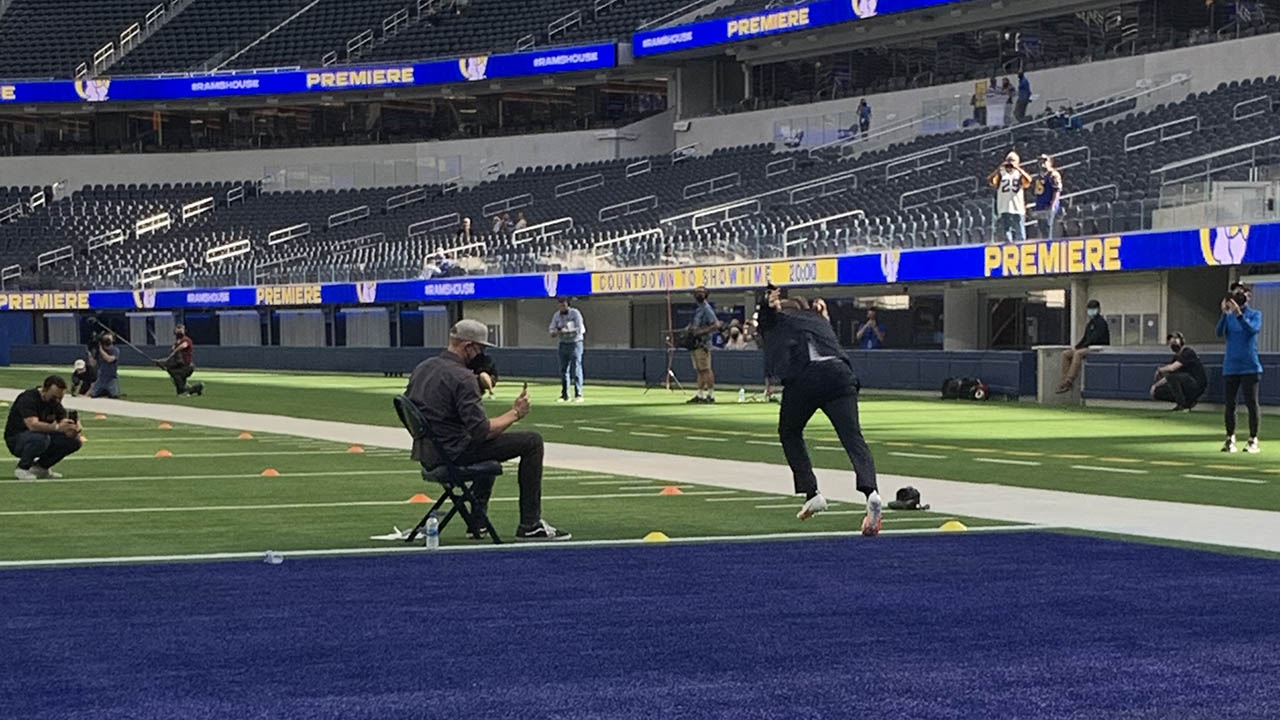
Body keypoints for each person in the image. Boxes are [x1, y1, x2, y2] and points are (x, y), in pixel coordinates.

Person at [406, 319, 570, 540]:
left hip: (429, 452)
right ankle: (530, 524)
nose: (482, 355)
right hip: (454, 453)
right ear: (468, 347)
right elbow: (482, 431)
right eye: (480, 349)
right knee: (532, 441)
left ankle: (477, 522)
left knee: (489, 447)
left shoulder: (423, 368)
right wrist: (515, 413)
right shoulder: (463, 378)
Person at [756, 287, 882, 536]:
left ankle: (812, 492)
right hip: (840, 374)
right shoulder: (816, 320)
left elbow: (767, 319)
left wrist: (767, 302)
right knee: (853, 438)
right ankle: (872, 492)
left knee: (789, 432)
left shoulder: (783, 320)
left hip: (807, 377)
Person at [4, 375, 81, 480]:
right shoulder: (28, 398)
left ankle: (41, 467)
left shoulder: (55, 402)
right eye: (54, 397)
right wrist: (58, 427)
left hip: (41, 437)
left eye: (60, 398)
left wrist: (72, 428)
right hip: (17, 438)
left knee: (73, 441)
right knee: (41, 438)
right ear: (45, 390)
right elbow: (32, 425)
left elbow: (63, 419)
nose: (57, 401)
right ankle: (22, 468)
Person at [1218, 282, 1263, 453]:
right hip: (1231, 367)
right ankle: (1230, 438)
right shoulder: (1229, 318)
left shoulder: (1255, 314)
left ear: (1248, 297)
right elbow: (1219, 332)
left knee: (1251, 404)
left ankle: (1253, 439)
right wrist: (1224, 314)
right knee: (1230, 404)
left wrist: (1239, 315)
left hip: (1250, 366)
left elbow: (1252, 330)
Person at [1056, 299, 1110, 393]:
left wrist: (1082, 347)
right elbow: (1085, 337)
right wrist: (1077, 346)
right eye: (1089, 309)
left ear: (1098, 309)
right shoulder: (1090, 324)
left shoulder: (1101, 322)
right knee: (1066, 354)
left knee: (1078, 354)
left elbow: (1095, 339)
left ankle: (1069, 380)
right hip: (1088, 347)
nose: (1091, 311)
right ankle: (1064, 380)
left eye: (1093, 308)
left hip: (1098, 348)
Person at [1150, 332, 1206, 411]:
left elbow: (1172, 368)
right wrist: (1155, 386)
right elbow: (1169, 377)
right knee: (1157, 392)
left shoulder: (1188, 352)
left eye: (1175, 341)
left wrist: (1160, 369)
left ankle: (1182, 405)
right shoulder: (1176, 357)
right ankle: (1187, 402)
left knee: (1174, 377)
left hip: (1196, 384)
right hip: (1185, 384)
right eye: (1171, 342)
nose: (1173, 344)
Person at [687, 286, 722, 404]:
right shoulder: (699, 309)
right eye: (697, 293)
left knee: (706, 369)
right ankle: (700, 394)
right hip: (695, 344)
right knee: (699, 370)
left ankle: (711, 395)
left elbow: (716, 325)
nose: (699, 295)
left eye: (701, 293)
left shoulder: (707, 309)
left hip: (703, 344)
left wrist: (701, 331)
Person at [988, 151, 1032, 243]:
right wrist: (998, 169)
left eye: (1012, 160)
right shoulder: (1001, 174)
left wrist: (1018, 168)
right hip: (1005, 206)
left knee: (1020, 231)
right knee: (1006, 230)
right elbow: (990, 181)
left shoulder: (1019, 174)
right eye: (1008, 160)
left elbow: (1028, 181)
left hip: (1017, 206)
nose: (1010, 163)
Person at [549, 297, 586, 403]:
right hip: (563, 343)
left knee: (577, 368)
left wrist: (566, 330)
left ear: (568, 305)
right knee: (564, 370)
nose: (562, 307)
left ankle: (579, 394)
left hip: (575, 343)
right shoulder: (556, 315)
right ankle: (565, 395)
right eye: (560, 305)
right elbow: (551, 329)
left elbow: (579, 329)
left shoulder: (575, 313)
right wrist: (556, 332)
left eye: (564, 305)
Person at [162, 324, 204, 397]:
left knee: (176, 374)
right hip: (179, 365)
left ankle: (184, 391)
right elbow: (172, 357)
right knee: (171, 371)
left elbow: (184, 346)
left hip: (186, 367)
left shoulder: (186, 340)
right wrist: (160, 362)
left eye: (181, 328)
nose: (179, 330)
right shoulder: (175, 344)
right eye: (178, 328)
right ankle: (196, 388)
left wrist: (175, 350)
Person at [1033, 154, 1063, 240]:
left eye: (1045, 161)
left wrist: (1052, 205)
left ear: (1050, 162)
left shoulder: (1053, 175)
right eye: (1040, 161)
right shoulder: (1039, 176)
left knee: (1049, 229)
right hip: (1040, 206)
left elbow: (1057, 191)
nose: (1042, 164)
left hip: (1049, 205)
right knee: (1042, 230)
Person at [88, 331, 120, 398]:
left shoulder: (115, 350)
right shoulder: (98, 352)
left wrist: (100, 349)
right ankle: (104, 391)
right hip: (101, 377)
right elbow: (93, 364)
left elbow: (109, 359)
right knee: (93, 395)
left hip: (112, 377)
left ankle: (107, 391)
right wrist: (90, 353)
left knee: (115, 395)